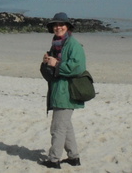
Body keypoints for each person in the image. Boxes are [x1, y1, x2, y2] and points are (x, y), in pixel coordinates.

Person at [38, 12, 84, 169]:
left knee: (57, 128)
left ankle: (54, 160)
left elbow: (78, 67)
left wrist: (56, 64)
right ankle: (74, 157)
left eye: (61, 25)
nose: (58, 27)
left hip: (67, 92)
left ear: (68, 27)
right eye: (55, 25)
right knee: (65, 126)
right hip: (58, 90)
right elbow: (53, 65)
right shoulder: (57, 44)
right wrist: (47, 61)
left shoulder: (73, 45)